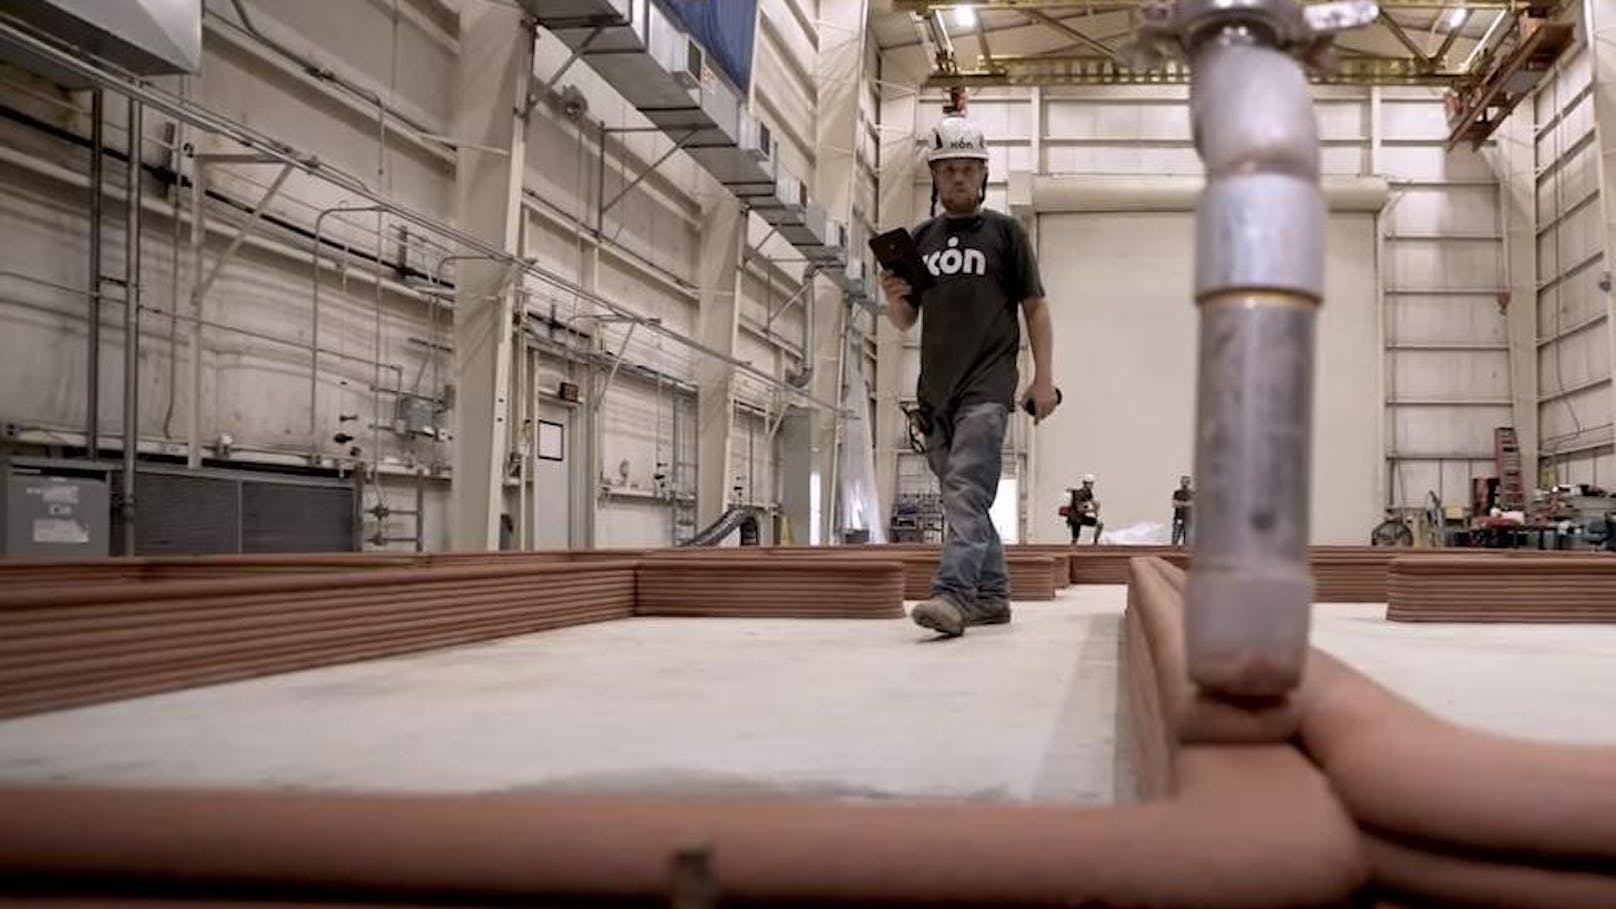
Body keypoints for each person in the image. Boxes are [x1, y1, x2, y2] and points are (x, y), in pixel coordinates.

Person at [881, 114, 1058, 639]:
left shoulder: (1006, 233)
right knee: (968, 498)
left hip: (989, 384)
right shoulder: (920, 238)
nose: (958, 177)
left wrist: (1042, 377)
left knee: (964, 489)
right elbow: (906, 320)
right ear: (934, 178)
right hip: (936, 392)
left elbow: (1037, 308)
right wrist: (894, 298)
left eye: (967, 168)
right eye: (948, 170)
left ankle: (953, 596)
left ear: (983, 174)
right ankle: (993, 596)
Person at [1066, 475, 1102, 545]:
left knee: (1100, 524)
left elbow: (1093, 502)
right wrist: (1092, 510)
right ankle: (1072, 549)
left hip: (1081, 517)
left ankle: (1095, 542)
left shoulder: (1089, 493)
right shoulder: (1079, 494)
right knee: (1075, 538)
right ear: (1085, 484)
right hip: (1075, 519)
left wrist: (1097, 509)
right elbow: (1080, 509)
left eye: (1092, 483)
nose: (1092, 485)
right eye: (1090, 483)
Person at [1171, 475, 1194, 546]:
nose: (1184, 483)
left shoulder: (1192, 493)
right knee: (1175, 537)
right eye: (1183, 481)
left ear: (1188, 483)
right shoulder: (1177, 493)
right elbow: (1174, 504)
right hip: (1178, 518)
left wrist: (1180, 503)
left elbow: (1192, 504)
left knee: (1188, 540)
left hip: (1188, 519)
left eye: (1186, 482)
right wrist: (1185, 504)